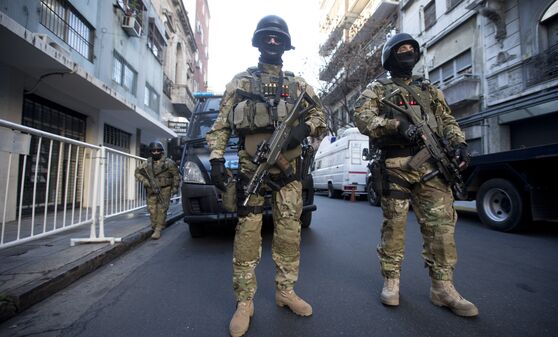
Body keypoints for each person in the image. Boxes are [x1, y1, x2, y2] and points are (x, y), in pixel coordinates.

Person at [206, 15, 326, 337]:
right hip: (251, 170)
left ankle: (285, 292)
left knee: (289, 235)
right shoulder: (240, 82)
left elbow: (320, 115)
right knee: (247, 237)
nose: (272, 43)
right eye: (267, 38)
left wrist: (300, 130)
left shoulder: (299, 85)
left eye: (278, 38)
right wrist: (217, 159)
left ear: (285, 45)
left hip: (289, 174)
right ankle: (244, 302)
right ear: (259, 42)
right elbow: (220, 125)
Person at [353, 33, 478, 317]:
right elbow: (361, 117)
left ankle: (443, 288)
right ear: (390, 57)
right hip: (396, 165)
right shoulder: (377, 89)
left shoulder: (428, 90)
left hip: (433, 166)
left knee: (441, 228)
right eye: (401, 50)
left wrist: (459, 143)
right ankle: (391, 281)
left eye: (411, 49)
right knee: (394, 228)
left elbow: (447, 119)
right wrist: (395, 125)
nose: (407, 53)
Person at [134, 141, 180, 240]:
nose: (155, 152)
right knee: (152, 209)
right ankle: (155, 226)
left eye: (158, 150)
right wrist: (145, 180)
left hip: (165, 189)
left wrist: (175, 187)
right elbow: (137, 173)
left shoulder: (169, 163)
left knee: (162, 209)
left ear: (161, 151)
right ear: (150, 151)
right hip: (151, 189)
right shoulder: (147, 163)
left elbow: (176, 175)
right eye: (153, 150)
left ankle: (158, 229)